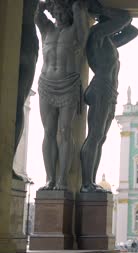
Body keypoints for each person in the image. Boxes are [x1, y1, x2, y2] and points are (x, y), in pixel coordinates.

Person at [80, 1, 138, 193]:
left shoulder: (109, 41)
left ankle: (91, 181)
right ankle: (86, 183)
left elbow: (132, 31)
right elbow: (125, 19)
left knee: (101, 137)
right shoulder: (97, 35)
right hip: (100, 88)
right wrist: (102, 10)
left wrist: (110, 16)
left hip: (110, 91)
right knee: (95, 136)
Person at [35, 0, 88, 190]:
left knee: (65, 132)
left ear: (69, 11)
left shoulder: (76, 31)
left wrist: (75, 8)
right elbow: (36, 12)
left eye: (62, 10)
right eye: (56, 11)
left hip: (69, 84)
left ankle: (62, 180)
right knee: (48, 132)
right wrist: (45, 4)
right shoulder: (47, 29)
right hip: (46, 85)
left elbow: (83, 32)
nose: (59, 15)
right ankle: (50, 178)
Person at [14, 0, 39, 181]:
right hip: (27, 39)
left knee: (17, 104)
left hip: (27, 40)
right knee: (17, 105)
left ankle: (8, 163)